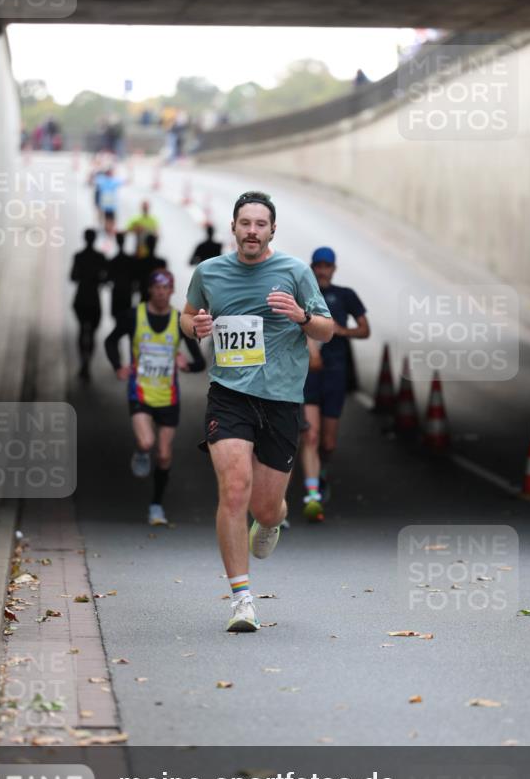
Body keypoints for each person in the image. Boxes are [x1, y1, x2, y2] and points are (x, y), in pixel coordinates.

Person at [181, 190, 333, 632]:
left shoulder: (294, 272)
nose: (252, 231)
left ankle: (274, 519)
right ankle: (241, 600)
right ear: (233, 227)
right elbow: (186, 316)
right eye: (244, 223)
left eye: (260, 224)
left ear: (271, 230)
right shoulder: (209, 272)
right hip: (228, 394)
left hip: (281, 398)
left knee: (265, 508)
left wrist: (301, 316)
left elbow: (327, 330)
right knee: (234, 489)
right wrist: (196, 327)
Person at [104, 269, 205, 526]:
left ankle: (156, 505)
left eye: (166, 288)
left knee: (163, 455)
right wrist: (118, 366)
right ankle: (140, 452)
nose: (161, 292)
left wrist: (186, 365)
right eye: (157, 288)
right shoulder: (134, 316)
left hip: (168, 396)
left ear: (172, 291)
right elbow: (110, 340)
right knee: (147, 443)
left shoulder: (179, 321)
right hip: (140, 392)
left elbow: (200, 362)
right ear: (150, 289)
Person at [300, 247, 370, 521]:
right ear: (312, 267)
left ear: (334, 268)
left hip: (336, 373)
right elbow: (296, 325)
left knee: (327, 443)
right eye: (317, 265)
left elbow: (365, 330)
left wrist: (342, 331)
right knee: (311, 436)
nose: (322, 270)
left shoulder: (345, 295)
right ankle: (312, 494)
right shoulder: (303, 294)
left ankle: (322, 473)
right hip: (309, 373)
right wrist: (312, 352)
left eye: (326, 266)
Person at [70, 229, 108, 380]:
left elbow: (72, 276)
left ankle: (82, 362)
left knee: (81, 330)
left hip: (80, 297)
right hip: (94, 299)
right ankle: (87, 364)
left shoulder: (78, 256)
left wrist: (83, 277)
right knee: (92, 332)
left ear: (84, 239)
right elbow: (106, 278)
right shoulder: (100, 257)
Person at [107, 232, 137, 322]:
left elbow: (108, 278)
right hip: (127, 293)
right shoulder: (130, 260)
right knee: (127, 321)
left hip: (117, 292)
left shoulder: (113, 261)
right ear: (124, 241)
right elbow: (134, 278)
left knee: (119, 322)